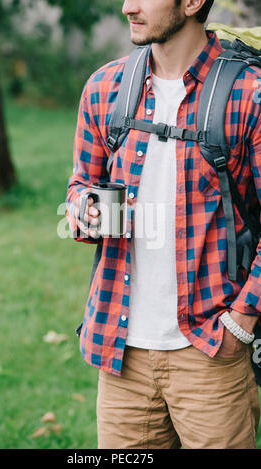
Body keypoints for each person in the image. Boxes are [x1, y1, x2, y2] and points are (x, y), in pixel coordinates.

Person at [65, 0, 261, 449]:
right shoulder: (104, 88)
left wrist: (241, 322)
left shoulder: (249, 94)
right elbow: (81, 184)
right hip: (120, 353)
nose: (126, 6)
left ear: (192, 3)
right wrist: (83, 208)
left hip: (209, 351)